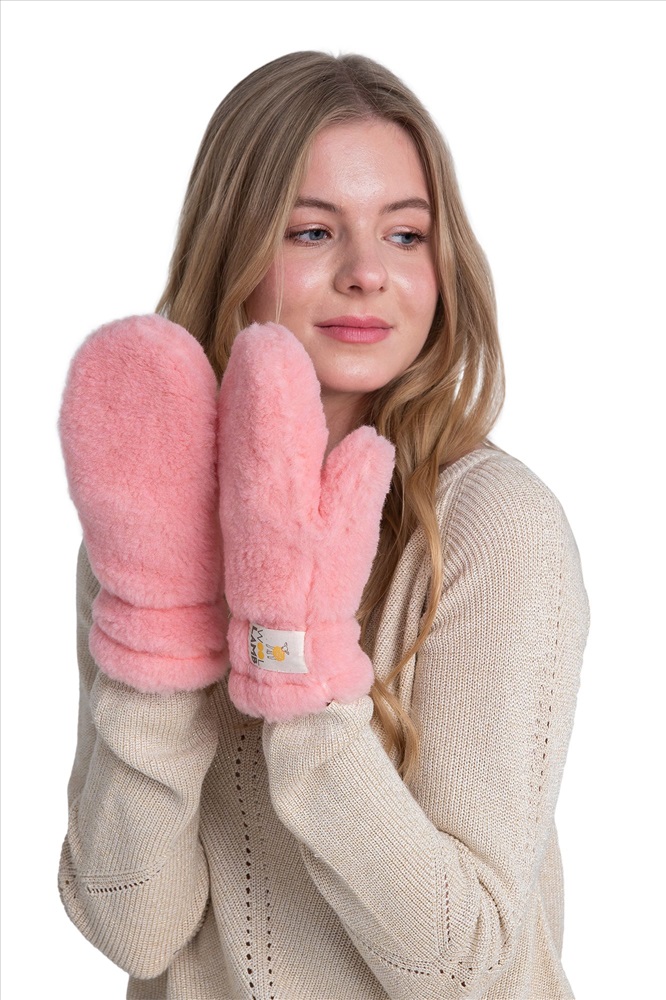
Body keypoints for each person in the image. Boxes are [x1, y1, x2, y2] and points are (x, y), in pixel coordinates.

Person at [57, 51, 590, 1000]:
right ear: (232, 249)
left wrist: (297, 659)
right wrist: (160, 626)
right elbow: (135, 927)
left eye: (406, 234)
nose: (367, 274)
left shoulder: (493, 528)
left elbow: (467, 969)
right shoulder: (150, 526)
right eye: (312, 231)